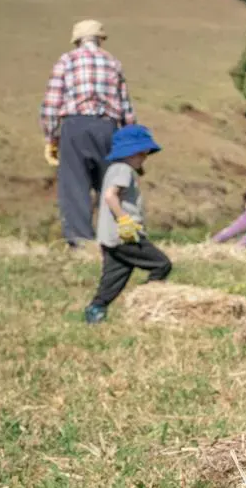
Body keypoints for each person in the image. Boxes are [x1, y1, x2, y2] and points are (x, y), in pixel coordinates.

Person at [41, 19, 136, 246]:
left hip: (74, 127)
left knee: (74, 186)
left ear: (76, 40)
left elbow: (51, 104)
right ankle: (114, 238)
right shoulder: (113, 62)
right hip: (107, 127)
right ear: (100, 39)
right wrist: (131, 141)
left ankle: (80, 242)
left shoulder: (67, 60)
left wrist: (51, 137)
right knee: (109, 183)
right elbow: (126, 107)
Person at [85, 125, 171, 324]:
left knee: (114, 278)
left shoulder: (114, 169)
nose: (145, 157)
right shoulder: (124, 169)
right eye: (143, 153)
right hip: (125, 236)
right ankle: (148, 305)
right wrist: (124, 219)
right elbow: (110, 196)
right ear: (133, 152)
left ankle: (96, 309)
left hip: (109, 238)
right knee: (161, 264)